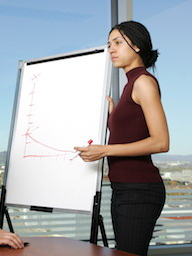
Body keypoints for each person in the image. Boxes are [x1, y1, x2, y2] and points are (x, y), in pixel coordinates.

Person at [74, 21, 169, 256]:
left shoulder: (143, 82)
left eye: (117, 43)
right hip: (124, 189)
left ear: (137, 46)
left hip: (140, 190)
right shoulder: (130, 86)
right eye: (109, 44)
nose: (111, 50)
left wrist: (104, 150)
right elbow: (130, 133)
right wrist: (112, 115)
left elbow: (161, 142)